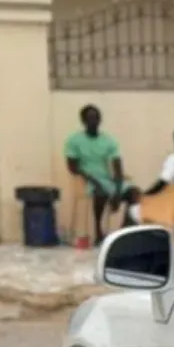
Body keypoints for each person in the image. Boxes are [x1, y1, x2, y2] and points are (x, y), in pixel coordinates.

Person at [64, 104, 125, 244]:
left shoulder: (108, 140)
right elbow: (72, 167)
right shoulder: (74, 140)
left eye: (97, 118)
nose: (94, 121)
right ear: (83, 121)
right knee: (100, 192)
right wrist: (91, 179)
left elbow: (117, 166)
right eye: (90, 118)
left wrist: (119, 190)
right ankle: (98, 232)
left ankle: (124, 232)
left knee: (134, 193)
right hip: (86, 180)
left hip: (106, 179)